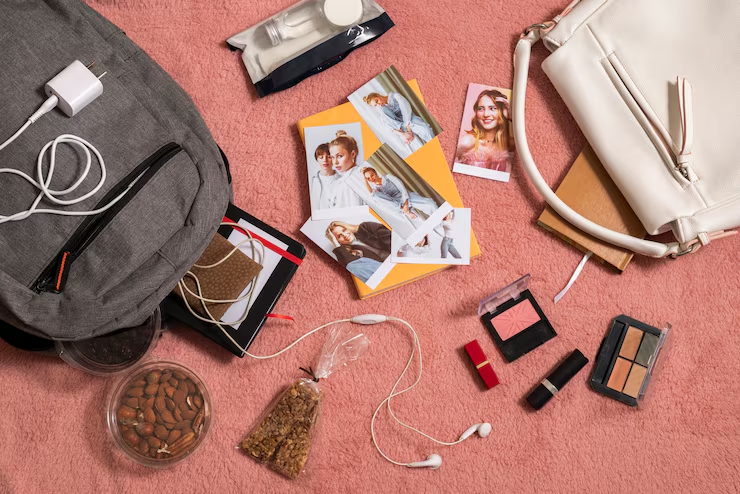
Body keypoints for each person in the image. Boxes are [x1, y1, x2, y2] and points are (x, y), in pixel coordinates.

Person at [456, 89, 515, 171]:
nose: (486, 114)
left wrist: (512, 116)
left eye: (492, 108)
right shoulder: (467, 141)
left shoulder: (509, 144)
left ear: (502, 112)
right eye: (481, 109)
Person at [361, 167, 437, 222]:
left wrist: (406, 204)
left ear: (376, 173)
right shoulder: (377, 190)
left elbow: (402, 188)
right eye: (368, 178)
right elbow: (371, 193)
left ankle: (441, 218)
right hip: (398, 205)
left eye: (372, 175)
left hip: (406, 197)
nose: (371, 178)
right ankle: (407, 212)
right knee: (375, 197)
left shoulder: (388, 177)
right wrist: (406, 212)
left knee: (430, 204)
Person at [325, 220, 391, 283]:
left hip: (394, 254)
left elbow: (390, 236)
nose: (344, 235)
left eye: (344, 230)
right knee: (351, 266)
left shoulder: (365, 228)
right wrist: (334, 242)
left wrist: (354, 228)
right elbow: (348, 264)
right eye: (339, 236)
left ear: (348, 227)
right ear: (338, 241)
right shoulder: (348, 253)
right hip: (384, 270)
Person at [363, 92, 435, 146]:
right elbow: (386, 123)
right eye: (376, 105)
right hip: (400, 127)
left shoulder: (395, 96)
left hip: (409, 119)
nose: (379, 104)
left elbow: (406, 110)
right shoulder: (383, 108)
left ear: (378, 95)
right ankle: (403, 134)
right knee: (382, 114)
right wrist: (401, 133)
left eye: (377, 101)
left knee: (425, 129)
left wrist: (408, 128)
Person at [325, 130, 365, 209]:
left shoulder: (354, 179)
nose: (335, 162)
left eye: (340, 156)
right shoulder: (340, 181)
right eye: (332, 157)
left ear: (353, 154)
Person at [310, 142, 341, 211]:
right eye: (321, 157)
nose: (325, 160)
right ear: (317, 159)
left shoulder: (342, 180)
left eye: (329, 157)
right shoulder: (312, 181)